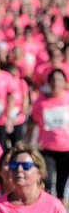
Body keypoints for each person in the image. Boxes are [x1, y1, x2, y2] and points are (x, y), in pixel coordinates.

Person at [29, 67, 69, 204]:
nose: (56, 83)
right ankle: (48, 208)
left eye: (59, 80)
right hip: (47, 149)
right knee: (46, 181)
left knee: (62, 185)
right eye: (53, 80)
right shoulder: (40, 102)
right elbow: (32, 123)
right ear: (48, 82)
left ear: (65, 83)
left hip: (66, 149)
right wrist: (28, 144)